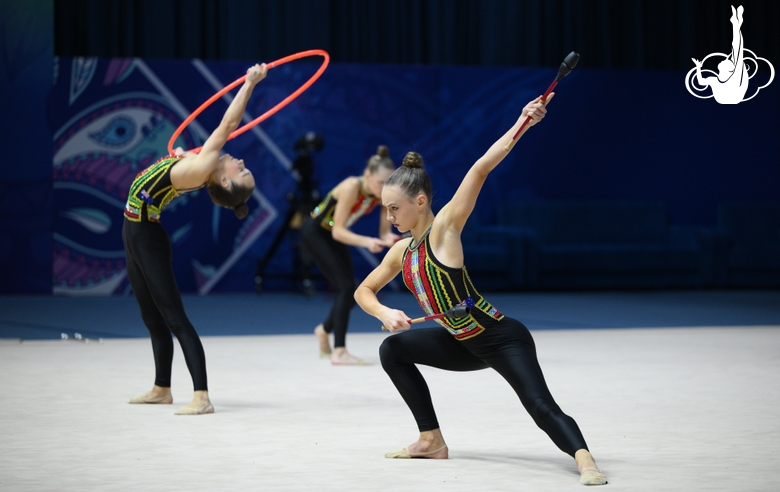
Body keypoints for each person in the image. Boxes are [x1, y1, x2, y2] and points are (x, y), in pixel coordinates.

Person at [354, 95, 608, 485]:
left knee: (539, 405)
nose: (388, 217)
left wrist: (523, 122)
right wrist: (385, 313)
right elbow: (363, 292)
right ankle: (431, 440)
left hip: (502, 339)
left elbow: (481, 168)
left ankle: (585, 460)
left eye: (394, 208)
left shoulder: (445, 230)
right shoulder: (400, 251)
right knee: (393, 350)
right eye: (385, 209)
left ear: (420, 202)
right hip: (462, 343)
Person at [123, 63, 268, 415]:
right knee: (151, 317)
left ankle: (201, 396)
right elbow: (194, 153)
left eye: (242, 171)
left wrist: (249, 84)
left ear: (226, 182)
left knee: (174, 317)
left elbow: (229, 125)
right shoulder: (200, 165)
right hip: (133, 231)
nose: (242, 161)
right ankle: (161, 388)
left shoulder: (203, 168)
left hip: (147, 236)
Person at [300, 146, 398, 365]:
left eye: (388, 184)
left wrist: (388, 238)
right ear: (367, 176)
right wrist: (366, 241)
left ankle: (324, 330)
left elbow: (384, 231)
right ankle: (340, 351)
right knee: (346, 289)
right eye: (381, 183)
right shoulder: (352, 186)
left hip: (333, 235)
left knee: (351, 292)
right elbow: (338, 230)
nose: (384, 188)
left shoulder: (380, 195)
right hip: (316, 232)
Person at [692, 5, 748, 104]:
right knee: (736, 51)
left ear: (729, 69)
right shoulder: (714, 80)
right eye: (727, 60)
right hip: (728, 98)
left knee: (737, 50)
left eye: (727, 61)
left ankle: (736, 24)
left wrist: (736, 26)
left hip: (734, 96)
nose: (724, 59)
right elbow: (701, 82)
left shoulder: (734, 77)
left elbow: (738, 49)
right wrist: (698, 67)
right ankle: (736, 24)